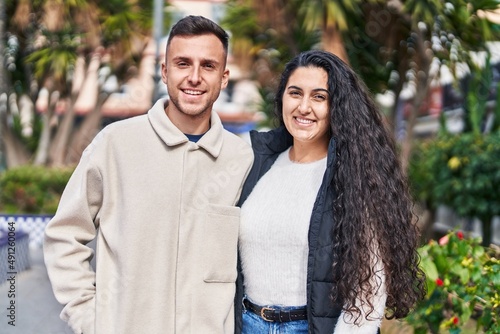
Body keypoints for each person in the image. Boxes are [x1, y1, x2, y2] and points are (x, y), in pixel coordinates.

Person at [44, 15, 253, 334]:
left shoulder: (241, 159)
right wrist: (87, 316)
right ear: (165, 71)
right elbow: (65, 233)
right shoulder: (115, 143)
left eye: (208, 66)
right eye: (183, 63)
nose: (194, 77)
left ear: (224, 78)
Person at [234, 50, 426, 333]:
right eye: (295, 93)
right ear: (282, 98)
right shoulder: (258, 161)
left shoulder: (355, 177)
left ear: (338, 106)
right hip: (246, 323)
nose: (303, 107)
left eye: (319, 97)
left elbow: (367, 294)